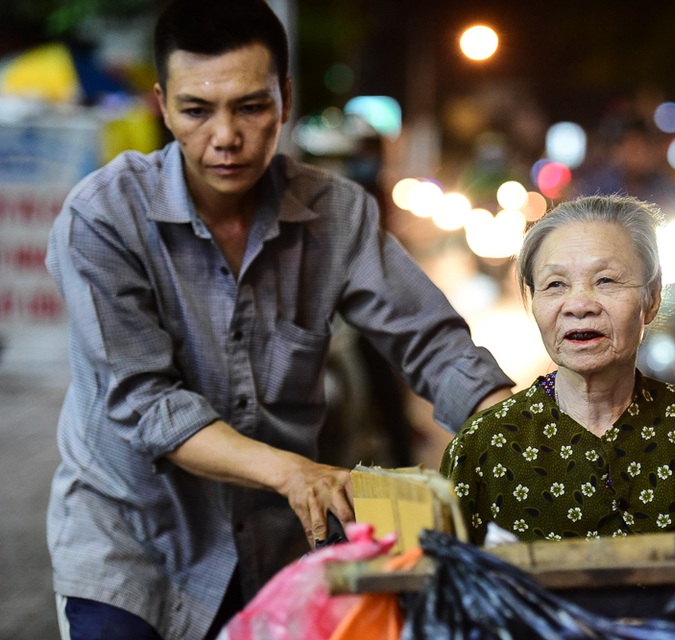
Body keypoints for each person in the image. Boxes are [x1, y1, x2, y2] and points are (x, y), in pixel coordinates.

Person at [44, 1, 514, 638]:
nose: (226, 137)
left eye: (250, 106)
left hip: (274, 547)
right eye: (196, 110)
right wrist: (294, 471)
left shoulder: (337, 214)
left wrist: (521, 433)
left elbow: (431, 343)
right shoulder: (101, 217)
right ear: (161, 104)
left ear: (285, 99)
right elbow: (147, 404)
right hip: (133, 544)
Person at [441, 195, 675, 544]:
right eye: (555, 284)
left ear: (652, 298)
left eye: (606, 281)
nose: (579, 305)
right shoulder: (481, 447)